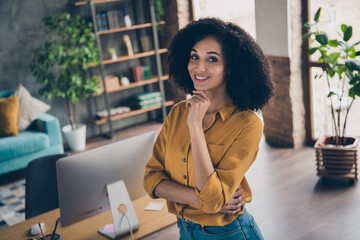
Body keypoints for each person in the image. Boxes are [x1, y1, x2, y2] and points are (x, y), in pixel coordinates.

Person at [143, 17, 273, 240]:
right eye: (194, 56)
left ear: (231, 67)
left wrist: (195, 125)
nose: (198, 67)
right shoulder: (177, 113)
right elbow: (151, 181)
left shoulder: (248, 124)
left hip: (228, 233)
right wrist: (197, 198)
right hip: (185, 230)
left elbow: (213, 202)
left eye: (212, 59)